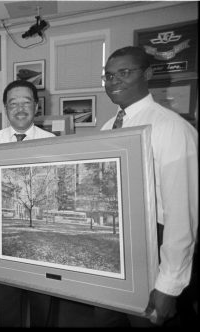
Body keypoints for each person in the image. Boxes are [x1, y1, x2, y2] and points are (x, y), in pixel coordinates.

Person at [96, 46, 198, 326]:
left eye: (124, 73)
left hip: (155, 240)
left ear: (148, 74)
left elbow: (182, 214)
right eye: (109, 75)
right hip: (113, 243)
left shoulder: (171, 129)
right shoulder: (107, 128)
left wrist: (169, 284)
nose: (114, 81)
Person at [0, 79, 56, 327]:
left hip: (41, 239)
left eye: (26, 102)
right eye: (13, 103)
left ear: (37, 106)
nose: (20, 108)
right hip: (2, 239)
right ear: (5, 109)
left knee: (42, 305)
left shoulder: (51, 141)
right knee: (7, 307)